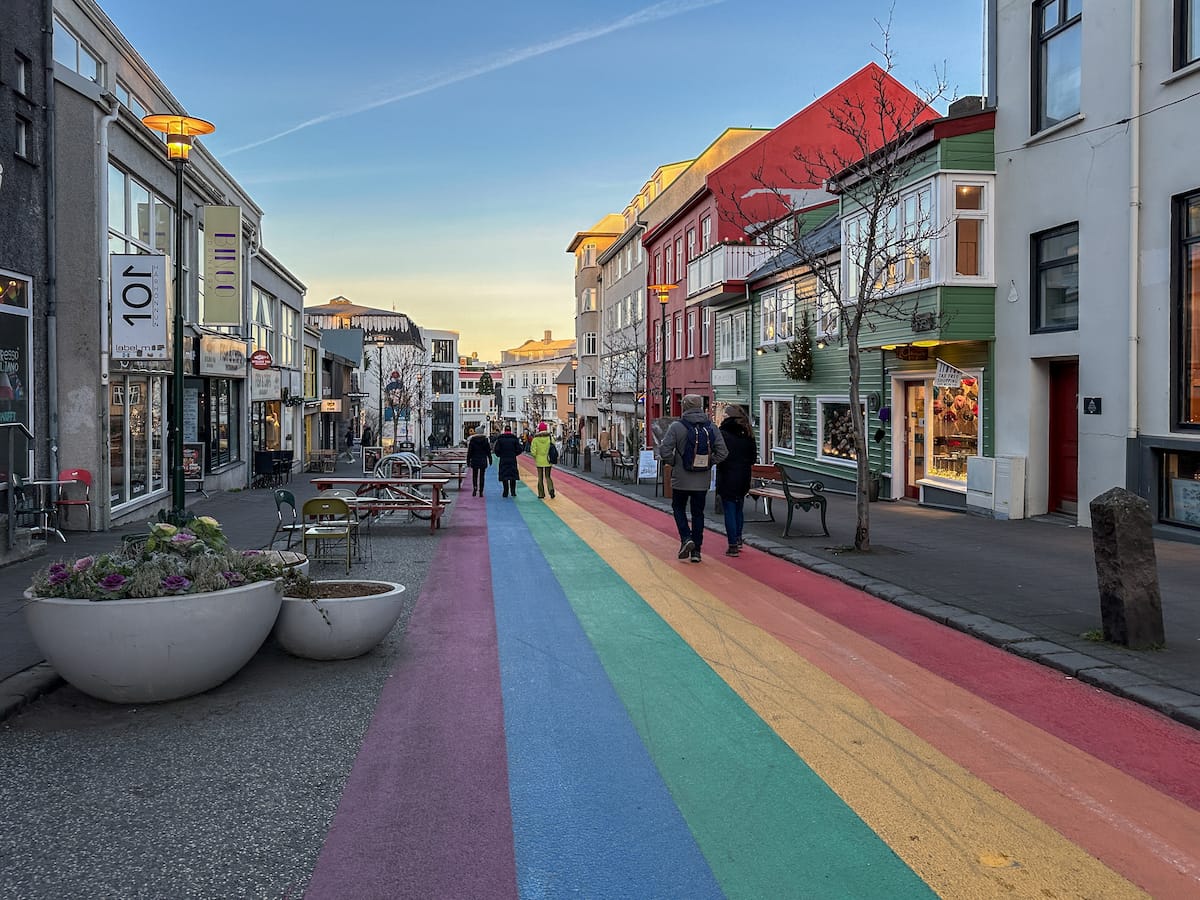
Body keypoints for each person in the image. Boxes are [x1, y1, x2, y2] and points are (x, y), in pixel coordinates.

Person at [657, 394, 728, 563]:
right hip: (702, 479)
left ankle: (686, 538)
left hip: (681, 478)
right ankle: (696, 551)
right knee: (698, 513)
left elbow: (664, 450)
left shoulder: (676, 427)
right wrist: (710, 462)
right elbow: (723, 452)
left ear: (685, 407)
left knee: (678, 508)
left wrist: (675, 462)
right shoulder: (711, 427)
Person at [715, 405, 757, 557]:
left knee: (730, 509)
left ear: (729, 417)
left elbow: (719, 455)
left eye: (725, 414)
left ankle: (732, 544)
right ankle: (738, 539)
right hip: (744, 475)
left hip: (727, 474)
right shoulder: (748, 433)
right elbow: (753, 458)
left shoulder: (723, 433)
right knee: (739, 507)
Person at [493, 425, 524, 498]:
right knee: (512, 475)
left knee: (504, 475)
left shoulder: (500, 439)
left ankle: (505, 491)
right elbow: (519, 449)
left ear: (504, 431)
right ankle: (513, 491)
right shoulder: (514, 439)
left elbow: (496, 450)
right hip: (512, 459)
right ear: (510, 430)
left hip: (503, 459)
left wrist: (500, 455)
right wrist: (514, 454)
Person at [529, 422, 556, 500]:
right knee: (548, 476)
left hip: (539, 461)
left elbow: (533, 452)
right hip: (548, 460)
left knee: (540, 477)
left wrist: (536, 457)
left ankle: (541, 494)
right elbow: (553, 447)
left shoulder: (535, 439)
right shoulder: (550, 438)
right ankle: (551, 489)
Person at [466, 427, 492, 497]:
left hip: (475, 459)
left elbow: (470, 451)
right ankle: (481, 491)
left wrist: (468, 460)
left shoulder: (472, 440)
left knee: (475, 475)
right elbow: (488, 451)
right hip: (483, 459)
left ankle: (475, 488)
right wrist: (490, 459)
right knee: (482, 476)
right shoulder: (486, 440)